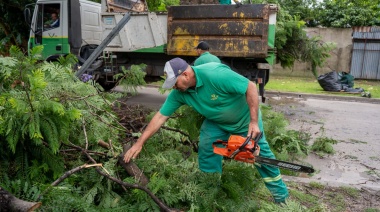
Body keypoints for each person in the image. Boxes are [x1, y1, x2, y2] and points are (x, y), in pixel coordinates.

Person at [123, 58, 289, 203]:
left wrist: (253, 122)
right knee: (207, 147)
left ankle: (281, 199)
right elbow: (160, 117)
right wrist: (139, 143)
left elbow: (250, 87)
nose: (174, 87)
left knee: (262, 157)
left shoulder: (215, 75)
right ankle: (210, 192)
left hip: (245, 121)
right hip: (216, 123)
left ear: (186, 75)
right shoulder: (180, 93)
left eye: (175, 82)